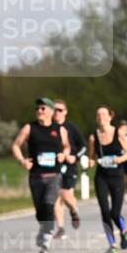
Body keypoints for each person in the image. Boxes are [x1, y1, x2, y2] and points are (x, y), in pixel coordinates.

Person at [11, 97, 70, 253]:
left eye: (43, 108)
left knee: (49, 205)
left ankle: (45, 241)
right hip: (36, 176)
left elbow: (67, 147)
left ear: (51, 111)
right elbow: (16, 145)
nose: (39, 111)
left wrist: (63, 155)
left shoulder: (60, 130)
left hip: (54, 176)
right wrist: (22, 161)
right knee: (40, 211)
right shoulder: (29, 128)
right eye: (37, 108)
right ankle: (43, 231)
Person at [88, 106, 127, 253]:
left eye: (103, 114)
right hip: (101, 177)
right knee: (104, 212)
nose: (100, 116)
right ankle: (112, 245)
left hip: (117, 177)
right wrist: (90, 162)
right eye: (98, 114)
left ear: (109, 117)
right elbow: (92, 157)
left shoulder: (118, 133)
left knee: (115, 212)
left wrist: (118, 159)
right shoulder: (93, 137)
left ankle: (124, 231)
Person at [52, 100, 84, 239]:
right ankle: (60, 228)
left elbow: (83, 147)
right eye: (54, 109)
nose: (56, 112)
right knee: (55, 197)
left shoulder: (71, 127)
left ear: (65, 112)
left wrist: (74, 157)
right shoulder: (49, 127)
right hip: (53, 166)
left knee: (65, 194)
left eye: (59, 110)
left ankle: (73, 210)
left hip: (69, 166)